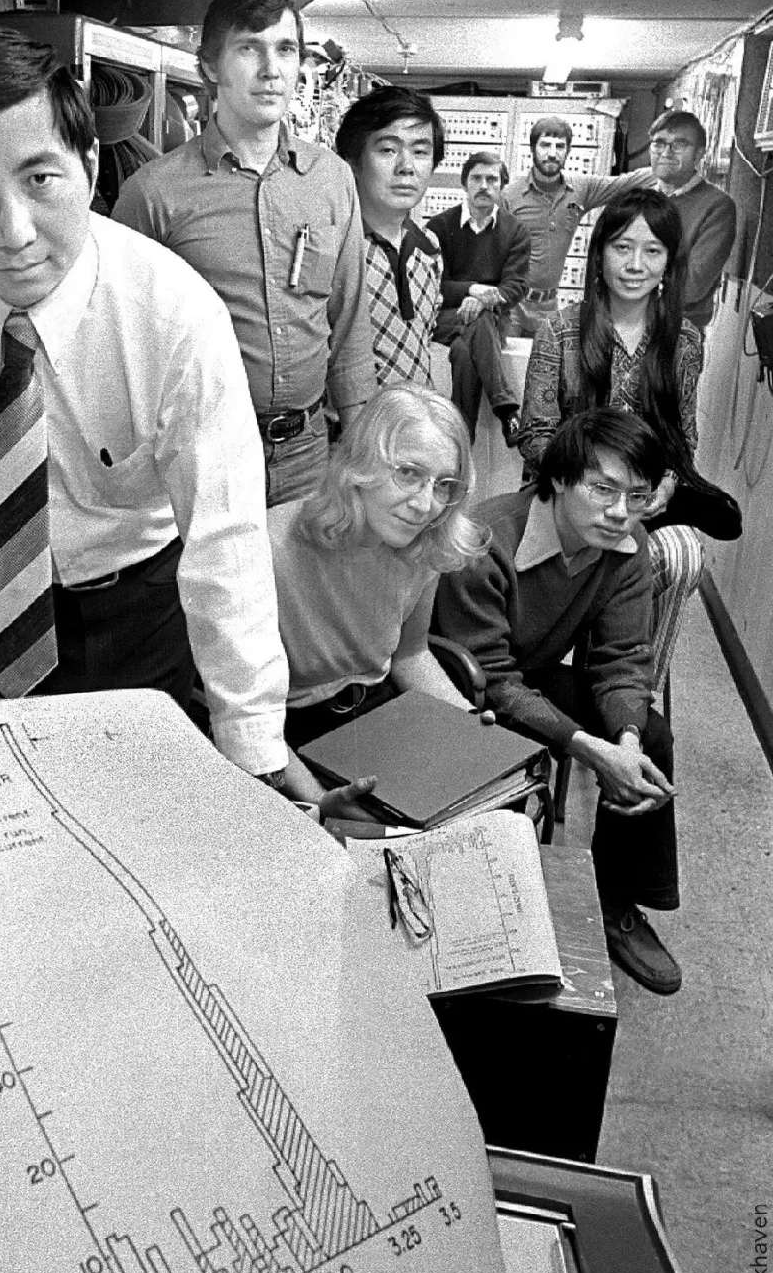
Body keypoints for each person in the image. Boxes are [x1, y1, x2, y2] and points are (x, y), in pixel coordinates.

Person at [0, 24, 293, 786]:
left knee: (140, 820)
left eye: (40, 179)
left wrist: (254, 752)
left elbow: (227, 545)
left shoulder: (174, 313)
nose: (13, 233)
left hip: (135, 614)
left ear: (90, 164)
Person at [433, 409, 683, 995]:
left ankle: (614, 903)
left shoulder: (627, 545)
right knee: (520, 747)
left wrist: (624, 742)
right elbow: (490, 680)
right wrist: (590, 750)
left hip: (534, 675)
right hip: (461, 692)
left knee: (650, 737)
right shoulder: (486, 538)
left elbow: (622, 659)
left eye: (638, 496)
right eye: (603, 489)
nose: (620, 511)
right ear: (562, 480)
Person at [113, 0, 375, 505]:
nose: (271, 70)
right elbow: (121, 342)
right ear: (210, 67)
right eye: (249, 49)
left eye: (286, 49)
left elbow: (348, 323)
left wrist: (361, 449)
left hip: (307, 455)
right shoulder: (154, 194)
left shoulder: (331, 180)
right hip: (200, 454)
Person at [518, 186, 705, 689]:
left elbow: (683, 440)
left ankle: (631, 693)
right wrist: (592, 485)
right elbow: (536, 434)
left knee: (684, 554)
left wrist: (665, 483)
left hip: (638, 507)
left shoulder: (684, 342)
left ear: (669, 264)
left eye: (652, 251)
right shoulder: (560, 331)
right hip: (565, 501)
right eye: (622, 247)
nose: (636, 264)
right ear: (599, 255)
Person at [268, 385, 487, 775]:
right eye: (408, 473)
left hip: (378, 714)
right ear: (360, 464)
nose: (425, 505)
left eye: (443, 485)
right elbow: (246, 717)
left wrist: (470, 724)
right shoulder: (270, 546)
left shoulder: (423, 546)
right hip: (288, 732)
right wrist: (317, 799)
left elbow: (411, 656)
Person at [333, 86, 446, 389]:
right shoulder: (333, 248)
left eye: (420, 152)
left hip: (413, 414)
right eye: (387, 150)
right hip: (352, 418)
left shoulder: (429, 247)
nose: (406, 167)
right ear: (352, 161)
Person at [503, 115, 653, 335]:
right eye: (545, 145)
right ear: (532, 148)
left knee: (546, 357)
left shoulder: (580, 189)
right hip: (513, 306)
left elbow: (625, 184)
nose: (552, 153)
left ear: (568, 151)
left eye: (559, 146)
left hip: (549, 306)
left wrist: (669, 168)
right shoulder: (510, 195)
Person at [427, 153, 530, 445]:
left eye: (492, 179)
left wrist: (485, 302)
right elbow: (433, 284)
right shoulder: (438, 227)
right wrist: (473, 290)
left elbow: (516, 286)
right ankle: (506, 407)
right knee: (477, 323)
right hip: (446, 317)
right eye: (476, 178)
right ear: (464, 183)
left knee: (464, 352)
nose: (484, 186)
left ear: (502, 186)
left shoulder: (516, 231)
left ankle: (461, 440)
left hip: (493, 320)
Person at [648, 109, 737, 334]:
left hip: (675, 333)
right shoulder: (640, 199)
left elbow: (691, 286)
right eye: (659, 143)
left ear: (699, 154)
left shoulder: (717, 206)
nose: (666, 153)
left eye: (679, 145)